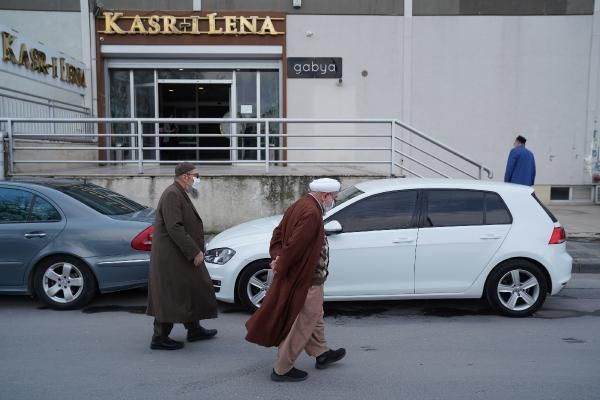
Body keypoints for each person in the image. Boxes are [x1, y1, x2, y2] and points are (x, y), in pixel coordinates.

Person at [245, 178, 346, 382]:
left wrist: (277, 257)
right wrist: (280, 262)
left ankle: (321, 353)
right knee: (304, 321)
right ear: (325, 196)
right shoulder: (311, 213)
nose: (332, 201)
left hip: (306, 275)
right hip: (308, 277)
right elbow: (295, 246)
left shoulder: (300, 204)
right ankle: (282, 368)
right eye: (333, 198)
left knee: (315, 316)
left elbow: (278, 234)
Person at [146, 162, 218, 350]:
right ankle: (159, 337)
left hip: (179, 254)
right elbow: (174, 228)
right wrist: (194, 251)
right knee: (170, 295)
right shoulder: (172, 194)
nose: (198, 179)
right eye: (196, 175)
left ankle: (194, 329)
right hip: (173, 256)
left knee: (192, 288)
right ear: (186, 176)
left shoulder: (178, 192)